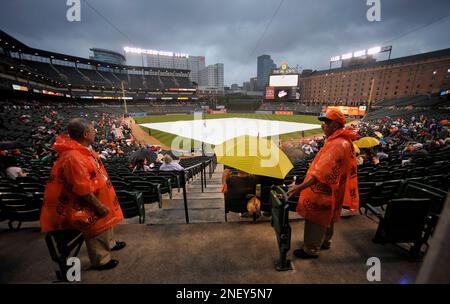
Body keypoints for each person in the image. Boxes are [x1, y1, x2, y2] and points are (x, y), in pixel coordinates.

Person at [40, 118, 125, 271]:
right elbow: (82, 189)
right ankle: (101, 259)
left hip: (100, 194)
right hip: (89, 203)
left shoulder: (83, 148)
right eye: (93, 130)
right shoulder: (73, 157)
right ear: (86, 134)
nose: (95, 132)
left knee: (107, 223)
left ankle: (110, 243)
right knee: (97, 228)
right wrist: (98, 206)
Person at [287, 108, 359, 259]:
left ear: (336, 125)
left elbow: (321, 174)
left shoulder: (337, 144)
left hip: (323, 190)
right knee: (329, 216)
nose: (323, 126)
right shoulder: (344, 140)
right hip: (335, 189)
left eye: (327, 122)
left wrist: (298, 187)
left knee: (316, 219)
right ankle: (325, 241)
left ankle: (311, 249)